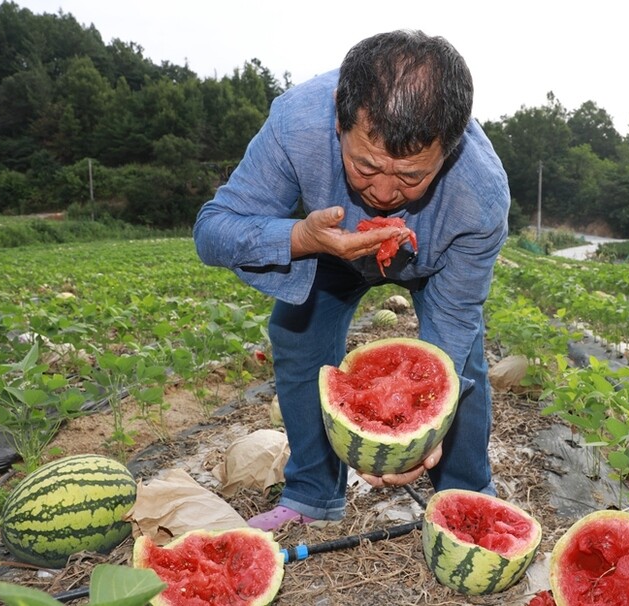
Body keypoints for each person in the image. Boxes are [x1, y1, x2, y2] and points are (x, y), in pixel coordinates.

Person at [193, 29, 510, 532]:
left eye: (411, 177)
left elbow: (455, 317)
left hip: (433, 264)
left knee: (456, 366)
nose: (384, 192)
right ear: (339, 116)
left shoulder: (481, 194)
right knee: (297, 335)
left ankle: (467, 496)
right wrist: (303, 236)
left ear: (449, 149)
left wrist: (421, 429)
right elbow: (212, 231)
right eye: (365, 166)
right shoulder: (296, 123)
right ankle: (312, 494)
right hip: (328, 247)